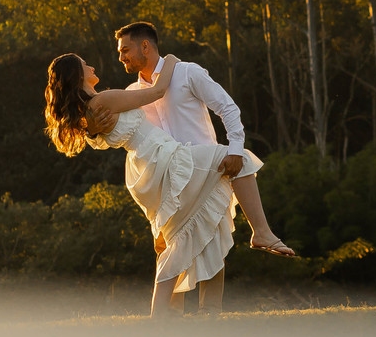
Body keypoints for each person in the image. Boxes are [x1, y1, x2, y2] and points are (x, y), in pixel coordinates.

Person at [45, 51, 294, 319]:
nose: (92, 65)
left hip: (145, 167)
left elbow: (101, 138)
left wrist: (94, 131)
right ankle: (262, 232)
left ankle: (164, 313)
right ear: (78, 75)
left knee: (175, 238)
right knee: (238, 158)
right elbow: (157, 91)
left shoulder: (89, 111)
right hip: (161, 158)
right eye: (85, 64)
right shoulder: (105, 99)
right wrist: (173, 60)